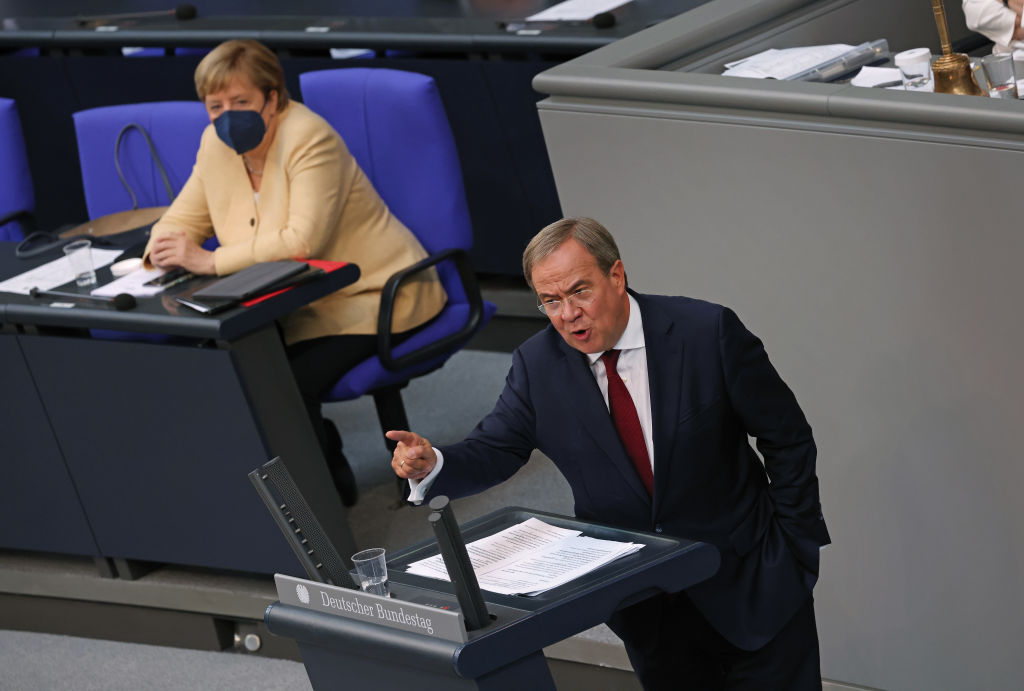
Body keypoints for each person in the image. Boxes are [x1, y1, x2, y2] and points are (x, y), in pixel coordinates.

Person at [388, 217, 830, 690]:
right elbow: (495, 447)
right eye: (551, 301)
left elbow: (788, 437)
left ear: (616, 276)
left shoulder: (706, 333)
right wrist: (435, 464)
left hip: (752, 579)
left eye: (580, 292)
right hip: (647, 603)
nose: (568, 314)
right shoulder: (537, 366)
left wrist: (796, 544)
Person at [143, 40, 447, 507]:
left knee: (280, 382)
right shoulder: (216, 144)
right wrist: (162, 247)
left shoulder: (309, 136)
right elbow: (183, 217)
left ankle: (319, 498)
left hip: (373, 294)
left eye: (240, 102)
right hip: (287, 304)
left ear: (273, 97)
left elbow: (302, 242)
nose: (227, 116)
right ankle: (297, 472)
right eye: (215, 105)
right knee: (229, 368)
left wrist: (206, 261)